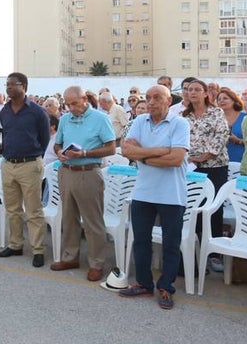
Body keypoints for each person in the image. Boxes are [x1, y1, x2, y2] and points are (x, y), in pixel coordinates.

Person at [119, 85, 190, 309]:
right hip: (143, 192)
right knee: (141, 241)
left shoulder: (180, 123)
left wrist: (144, 156)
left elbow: (176, 159)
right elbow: (127, 150)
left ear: (169, 101)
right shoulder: (140, 122)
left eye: (157, 98)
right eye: (147, 98)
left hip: (172, 195)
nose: (150, 102)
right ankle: (144, 283)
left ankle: (166, 287)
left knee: (171, 243)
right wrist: (161, 150)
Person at [51, 85, 116, 280]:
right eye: (68, 104)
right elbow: (57, 143)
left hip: (88, 172)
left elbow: (111, 148)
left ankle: (96, 262)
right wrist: (59, 152)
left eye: (75, 103)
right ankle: (70, 257)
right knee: (69, 218)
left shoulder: (100, 118)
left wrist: (85, 153)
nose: (71, 108)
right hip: (66, 171)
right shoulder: (64, 119)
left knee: (92, 221)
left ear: (85, 100)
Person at [0, 72, 50, 268]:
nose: (8, 88)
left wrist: (34, 158)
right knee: (13, 209)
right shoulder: (4, 111)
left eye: (12, 85)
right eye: (6, 85)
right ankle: (16, 245)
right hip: (8, 165)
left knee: (33, 210)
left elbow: (44, 139)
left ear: (23, 86)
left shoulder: (37, 111)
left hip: (30, 165)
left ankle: (38, 250)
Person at [183, 79, 229, 250]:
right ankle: (193, 246)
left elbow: (221, 135)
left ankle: (213, 250)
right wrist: (190, 158)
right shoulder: (184, 116)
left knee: (213, 208)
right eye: (189, 90)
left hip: (215, 166)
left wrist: (202, 157)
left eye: (197, 89)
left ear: (205, 93)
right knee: (194, 205)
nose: (192, 92)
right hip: (191, 167)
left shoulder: (216, 112)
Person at [218, 87, 247, 164]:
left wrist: (238, 140)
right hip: (219, 162)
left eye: (225, 98)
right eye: (219, 99)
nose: (221, 101)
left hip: (242, 161)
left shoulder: (246, 117)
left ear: (234, 101)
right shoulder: (215, 119)